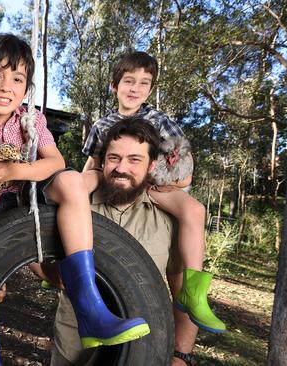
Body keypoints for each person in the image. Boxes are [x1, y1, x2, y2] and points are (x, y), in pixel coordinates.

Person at [0, 34, 150, 366]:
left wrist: (13, 170)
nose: (6, 86)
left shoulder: (31, 120)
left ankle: (91, 308)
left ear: (25, 89)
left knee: (71, 180)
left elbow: (55, 161)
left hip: (31, 195)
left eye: (17, 79)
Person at [82, 51, 225, 334]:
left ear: (151, 88)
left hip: (153, 186)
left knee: (195, 210)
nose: (135, 89)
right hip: (111, 183)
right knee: (73, 192)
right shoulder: (101, 125)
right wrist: (79, 184)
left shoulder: (159, 121)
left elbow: (184, 165)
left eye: (144, 83)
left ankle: (194, 292)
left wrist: (162, 181)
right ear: (114, 86)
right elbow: (92, 165)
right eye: (128, 81)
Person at [40, 118, 200, 366]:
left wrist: (182, 355)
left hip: (143, 348)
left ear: (151, 166)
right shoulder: (73, 204)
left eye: (135, 160)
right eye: (114, 158)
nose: (121, 168)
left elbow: (184, 294)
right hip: (75, 346)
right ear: (102, 161)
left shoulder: (172, 218)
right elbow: (28, 242)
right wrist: (51, 273)